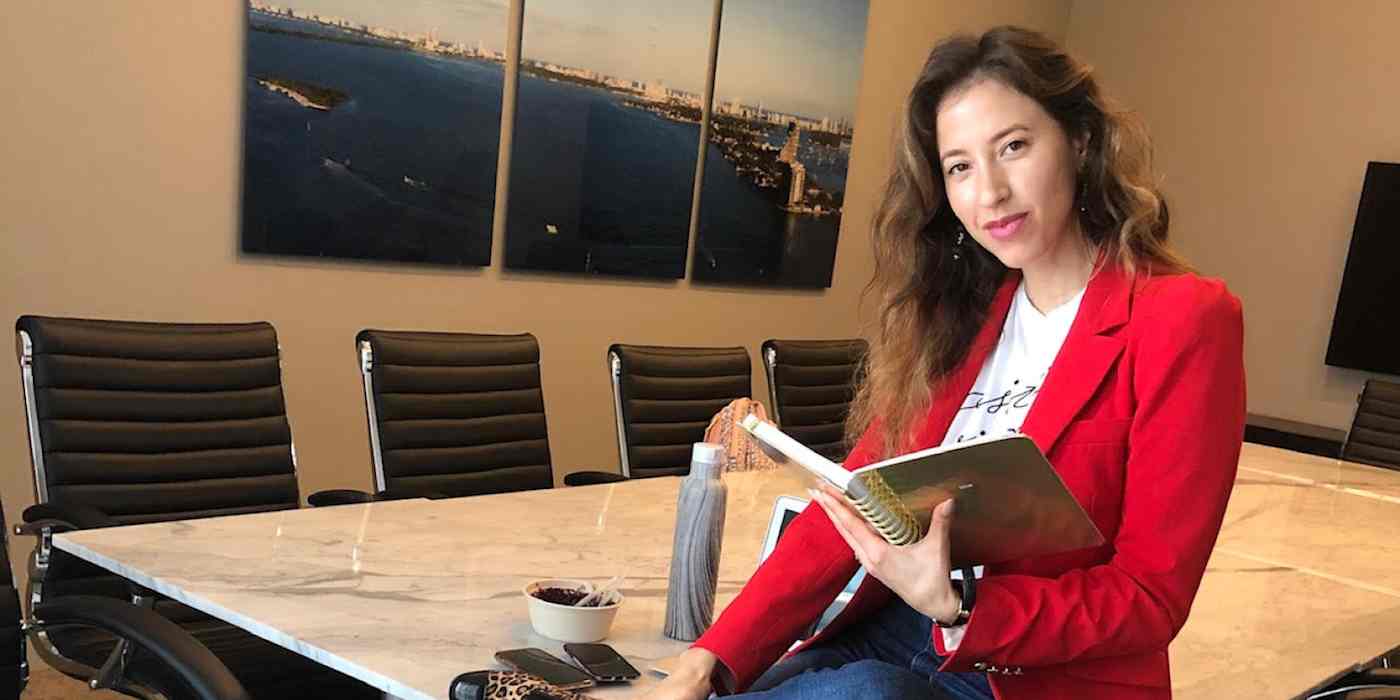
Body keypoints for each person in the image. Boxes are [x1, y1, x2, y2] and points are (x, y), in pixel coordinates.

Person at [647, 25, 1245, 700]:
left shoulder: (1183, 318)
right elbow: (851, 509)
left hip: (1029, 674)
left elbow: (1151, 596)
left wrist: (962, 610)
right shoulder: (961, 317)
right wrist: (708, 658)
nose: (988, 192)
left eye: (1013, 147)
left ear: (1079, 141)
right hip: (895, 633)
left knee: (863, 695)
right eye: (960, 166)